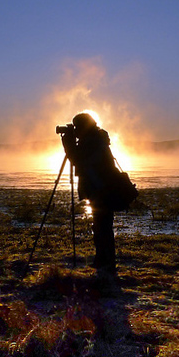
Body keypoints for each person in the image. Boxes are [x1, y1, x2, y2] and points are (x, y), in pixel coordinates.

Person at [60, 112, 121, 274]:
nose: (75, 131)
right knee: (101, 225)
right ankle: (103, 260)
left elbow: (78, 160)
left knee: (103, 226)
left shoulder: (93, 142)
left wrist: (68, 144)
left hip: (101, 189)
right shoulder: (95, 139)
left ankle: (106, 263)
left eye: (77, 127)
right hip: (100, 189)